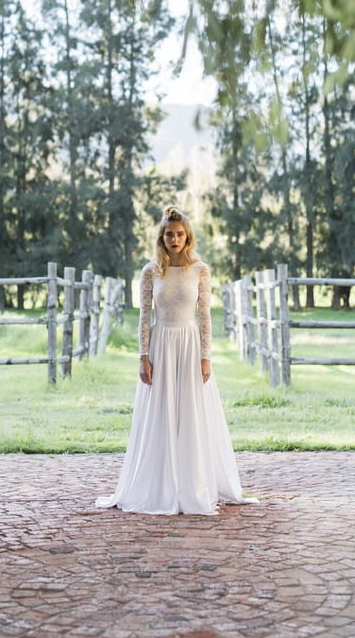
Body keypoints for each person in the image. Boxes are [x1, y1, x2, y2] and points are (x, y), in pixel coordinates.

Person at [96, 205, 257, 515]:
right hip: (161, 344)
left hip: (189, 344)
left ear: (188, 236)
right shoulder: (150, 271)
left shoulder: (200, 269)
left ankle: (192, 484)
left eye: (179, 234)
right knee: (161, 414)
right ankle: (160, 485)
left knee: (191, 413)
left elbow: (205, 315)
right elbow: (145, 315)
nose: (174, 239)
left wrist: (206, 356)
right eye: (169, 234)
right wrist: (143, 356)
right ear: (161, 237)